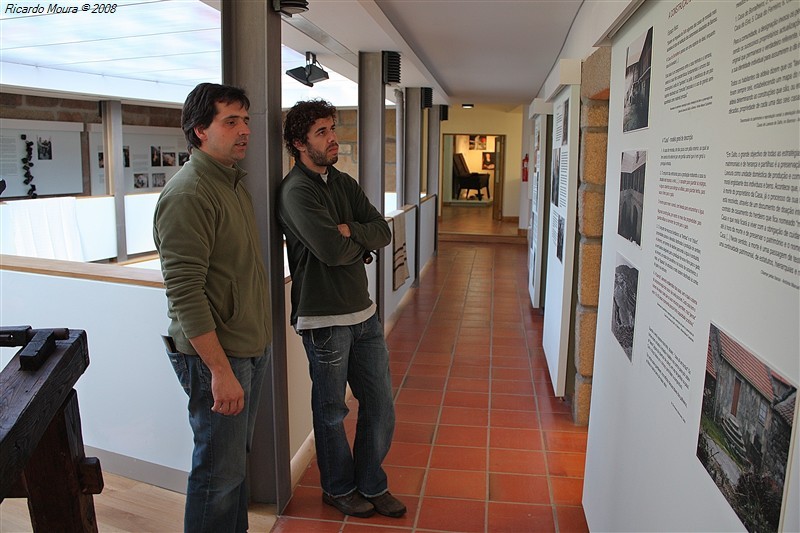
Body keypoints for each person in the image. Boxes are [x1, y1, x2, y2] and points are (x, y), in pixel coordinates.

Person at [277, 99, 406, 519]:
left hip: (363, 313)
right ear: (299, 143)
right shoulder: (295, 191)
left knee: (380, 404)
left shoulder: (343, 182)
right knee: (331, 411)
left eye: (332, 129)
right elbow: (331, 252)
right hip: (324, 317)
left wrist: (353, 232)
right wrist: (357, 245)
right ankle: (338, 487)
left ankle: (371, 482)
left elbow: (383, 232)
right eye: (322, 132)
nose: (333, 138)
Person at [153, 82, 272, 533]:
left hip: (245, 348)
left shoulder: (230, 183)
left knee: (232, 469)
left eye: (245, 120)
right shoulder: (189, 193)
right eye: (231, 121)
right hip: (217, 358)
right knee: (217, 476)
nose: (244, 130)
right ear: (200, 130)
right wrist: (220, 372)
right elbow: (185, 294)